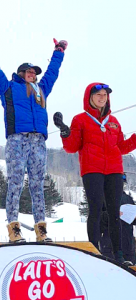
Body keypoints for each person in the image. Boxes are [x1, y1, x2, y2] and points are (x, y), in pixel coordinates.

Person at [0, 24, 67, 243]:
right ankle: (14, 228)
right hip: (17, 140)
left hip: (38, 141)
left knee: (37, 185)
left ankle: (41, 230)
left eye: (35, 73)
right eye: (29, 71)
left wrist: (58, 52)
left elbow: (53, 73)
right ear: (21, 73)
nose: (33, 74)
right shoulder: (9, 88)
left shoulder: (42, 90)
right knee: (15, 183)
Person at [53, 83, 136, 265]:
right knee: (96, 210)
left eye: (105, 95)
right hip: (92, 170)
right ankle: (95, 251)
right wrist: (65, 132)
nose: (102, 98)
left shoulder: (114, 122)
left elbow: (121, 147)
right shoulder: (80, 120)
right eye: (98, 94)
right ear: (89, 97)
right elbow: (71, 147)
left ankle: (119, 256)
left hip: (114, 170)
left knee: (115, 213)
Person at [100, 174, 136, 265]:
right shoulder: (103, 198)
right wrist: (112, 215)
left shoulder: (129, 199)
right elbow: (97, 220)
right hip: (110, 246)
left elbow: (132, 220)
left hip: (128, 245)